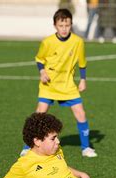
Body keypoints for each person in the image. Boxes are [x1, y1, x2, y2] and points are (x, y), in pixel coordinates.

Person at [22, 9, 97, 158]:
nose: (64, 28)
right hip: (49, 85)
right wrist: (42, 72)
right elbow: (39, 59)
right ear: (55, 25)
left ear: (71, 25)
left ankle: (86, 147)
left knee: (81, 114)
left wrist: (83, 80)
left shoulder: (77, 42)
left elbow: (82, 62)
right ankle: (27, 146)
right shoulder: (47, 42)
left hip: (68, 85)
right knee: (39, 115)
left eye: (67, 25)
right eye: (61, 25)